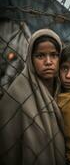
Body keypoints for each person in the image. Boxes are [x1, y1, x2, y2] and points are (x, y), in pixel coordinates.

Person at [0, 29, 65, 165]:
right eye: (40, 56)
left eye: (54, 55)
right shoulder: (16, 93)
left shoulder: (66, 90)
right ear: (30, 58)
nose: (48, 62)